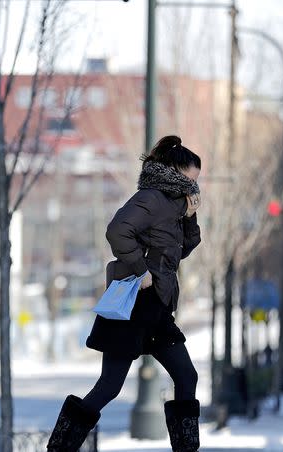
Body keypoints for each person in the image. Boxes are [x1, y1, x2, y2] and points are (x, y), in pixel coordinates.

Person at [47, 135, 202, 452]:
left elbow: (182, 251)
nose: (194, 188)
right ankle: (59, 448)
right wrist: (140, 270)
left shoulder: (173, 206)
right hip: (135, 304)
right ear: (174, 172)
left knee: (187, 376)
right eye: (190, 180)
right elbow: (117, 230)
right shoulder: (150, 199)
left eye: (196, 182)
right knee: (109, 386)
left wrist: (189, 217)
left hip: (158, 307)